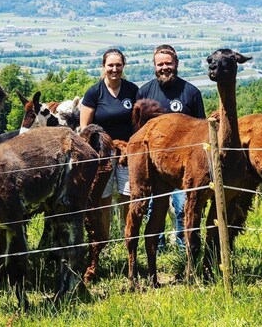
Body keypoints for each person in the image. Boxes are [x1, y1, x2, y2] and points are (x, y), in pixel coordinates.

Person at [136, 44, 206, 250]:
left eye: (168, 63)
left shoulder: (191, 92)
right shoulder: (144, 92)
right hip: (155, 163)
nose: (164, 67)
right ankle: (156, 247)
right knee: (152, 208)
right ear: (154, 66)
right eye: (160, 64)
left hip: (184, 166)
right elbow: (139, 133)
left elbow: (202, 129)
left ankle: (184, 246)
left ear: (176, 64)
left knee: (184, 207)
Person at [80, 48, 138, 237]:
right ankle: (103, 240)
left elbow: (138, 124)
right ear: (103, 66)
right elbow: (85, 130)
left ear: (123, 66)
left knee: (128, 196)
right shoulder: (94, 93)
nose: (114, 69)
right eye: (110, 65)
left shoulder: (132, 90)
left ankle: (128, 238)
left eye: (118, 65)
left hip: (127, 153)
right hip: (102, 155)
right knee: (103, 199)